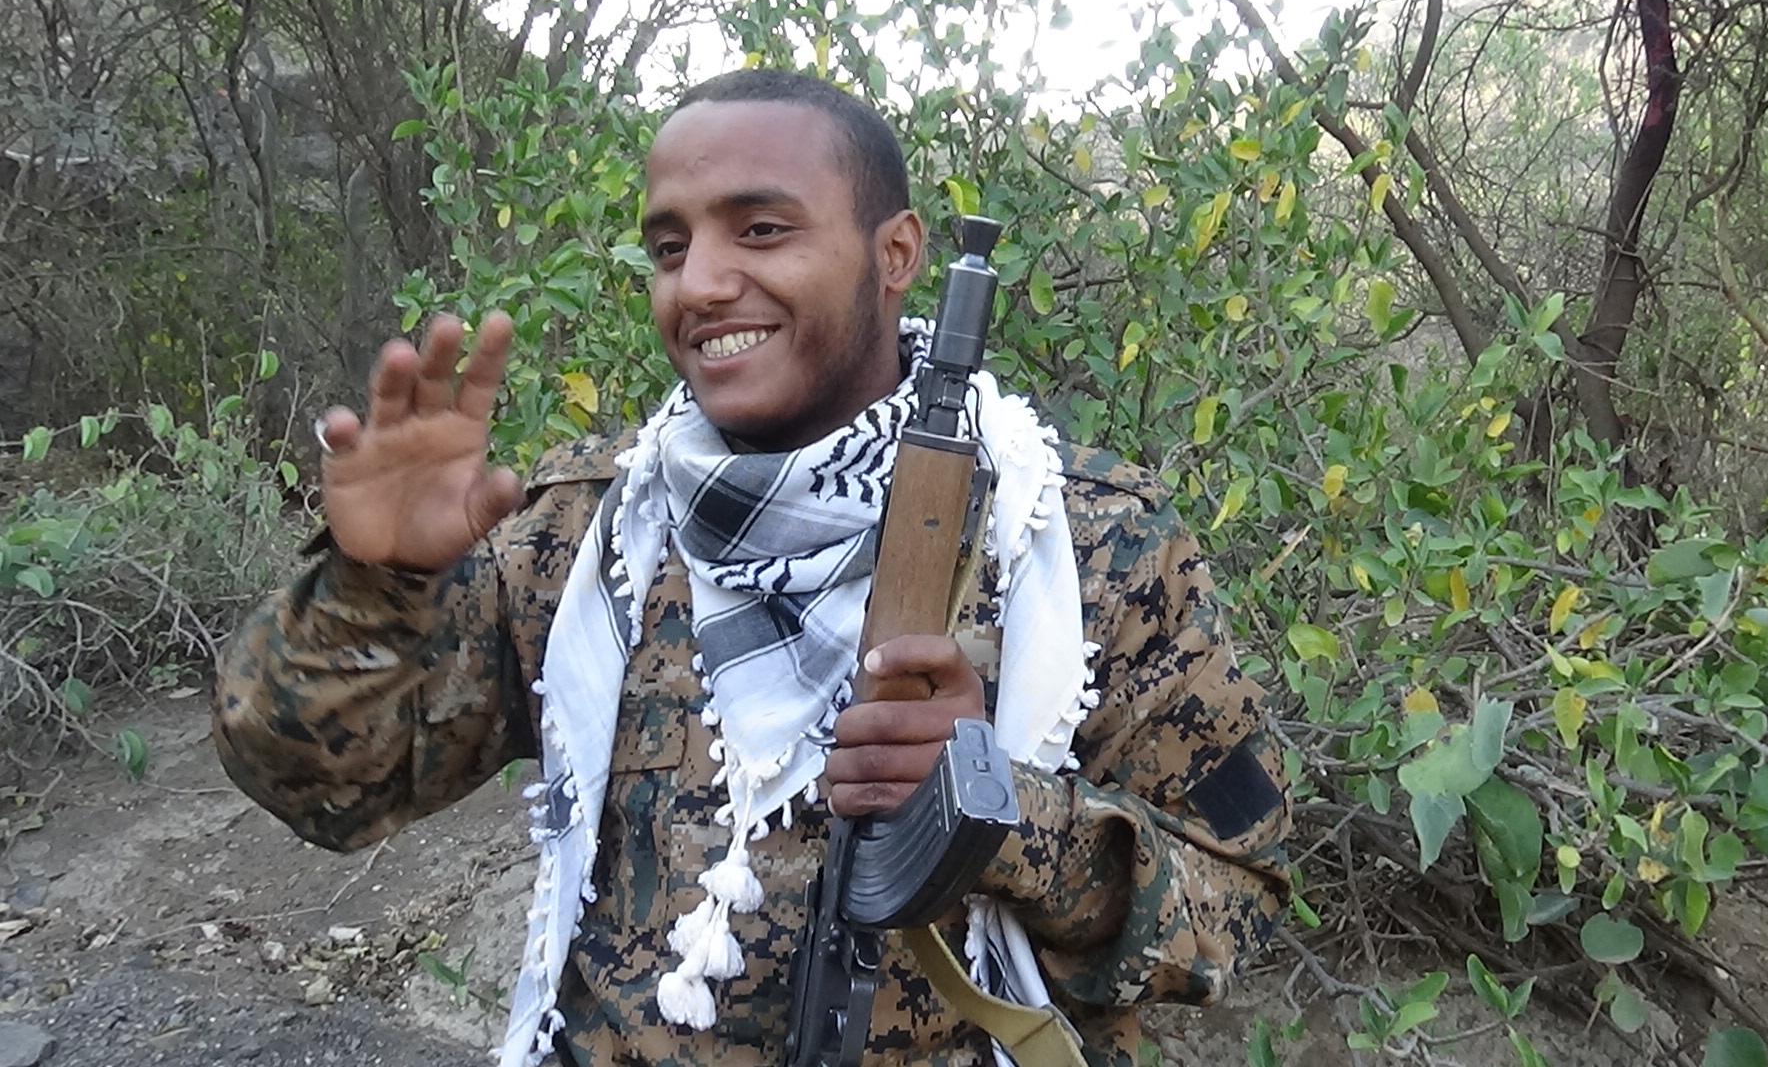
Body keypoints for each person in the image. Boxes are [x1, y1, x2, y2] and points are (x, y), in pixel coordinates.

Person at [213, 69, 1293, 1067]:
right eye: (668, 247)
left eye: (762, 229)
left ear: (896, 254)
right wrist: (374, 590)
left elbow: (1235, 906)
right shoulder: (589, 533)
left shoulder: (1086, 542)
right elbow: (325, 789)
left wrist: (1003, 817)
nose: (700, 285)